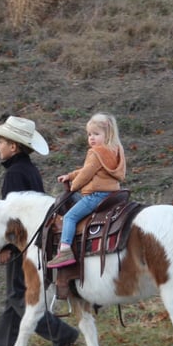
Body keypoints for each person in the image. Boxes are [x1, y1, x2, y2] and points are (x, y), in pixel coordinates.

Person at [0, 116, 79, 346]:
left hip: (21, 244)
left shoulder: (14, 174)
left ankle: (62, 334)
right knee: (14, 296)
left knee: (18, 295)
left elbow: (11, 218)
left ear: (13, 147)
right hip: (33, 240)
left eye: (1, 141)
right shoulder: (29, 170)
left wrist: (7, 247)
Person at [47, 112, 126, 268]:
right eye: (89, 134)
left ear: (108, 134)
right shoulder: (116, 151)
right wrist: (70, 175)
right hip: (113, 194)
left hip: (96, 196)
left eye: (96, 134)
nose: (91, 138)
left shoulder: (96, 153)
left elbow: (85, 174)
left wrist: (73, 186)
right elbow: (87, 169)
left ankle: (65, 251)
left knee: (70, 217)